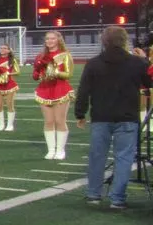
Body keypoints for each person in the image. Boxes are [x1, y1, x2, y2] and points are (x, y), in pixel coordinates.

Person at [75, 26, 151, 210]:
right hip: (127, 116)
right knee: (124, 158)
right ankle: (117, 198)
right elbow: (150, 82)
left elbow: (84, 91)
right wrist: (146, 60)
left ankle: (94, 194)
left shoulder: (93, 63)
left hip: (101, 116)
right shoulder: (137, 63)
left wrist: (80, 113)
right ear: (124, 41)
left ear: (104, 41)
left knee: (97, 156)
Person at [34, 30, 74, 160]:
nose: (49, 41)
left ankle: (60, 150)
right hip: (45, 89)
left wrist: (55, 72)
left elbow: (68, 74)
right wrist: (38, 74)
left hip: (60, 89)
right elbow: (37, 73)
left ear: (58, 40)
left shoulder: (65, 55)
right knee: (49, 121)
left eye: (52, 39)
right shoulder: (40, 56)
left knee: (60, 120)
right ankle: (51, 149)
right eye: (47, 39)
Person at [0, 43, 19, 131]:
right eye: (1, 48)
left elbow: (18, 72)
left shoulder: (12, 60)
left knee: (10, 104)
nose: (3, 49)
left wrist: (8, 73)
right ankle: (1, 124)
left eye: (5, 48)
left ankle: (10, 125)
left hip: (9, 84)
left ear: (9, 50)